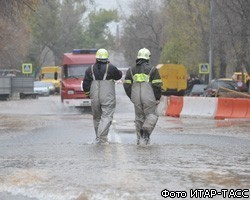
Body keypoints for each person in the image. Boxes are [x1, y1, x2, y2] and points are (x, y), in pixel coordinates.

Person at [123, 48, 163, 145]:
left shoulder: (131, 70)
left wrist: (132, 97)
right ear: (148, 58)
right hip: (149, 96)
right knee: (153, 115)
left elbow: (127, 85)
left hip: (136, 96)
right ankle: (146, 130)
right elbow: (157, 85)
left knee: (139, 118)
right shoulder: (153, 69)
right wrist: (157, 98)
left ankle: (140, 141)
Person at [82, 48, 122, 144]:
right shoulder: (111, 67)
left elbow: (85, 84)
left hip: (94, 94)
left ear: (96, 58)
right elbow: (119, 76)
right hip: (107, 94)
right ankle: (101, 138)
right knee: (107, 115)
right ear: (106, 57)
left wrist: (88, 94)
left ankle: (98, 137)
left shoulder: (90, 69)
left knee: (97, 117)